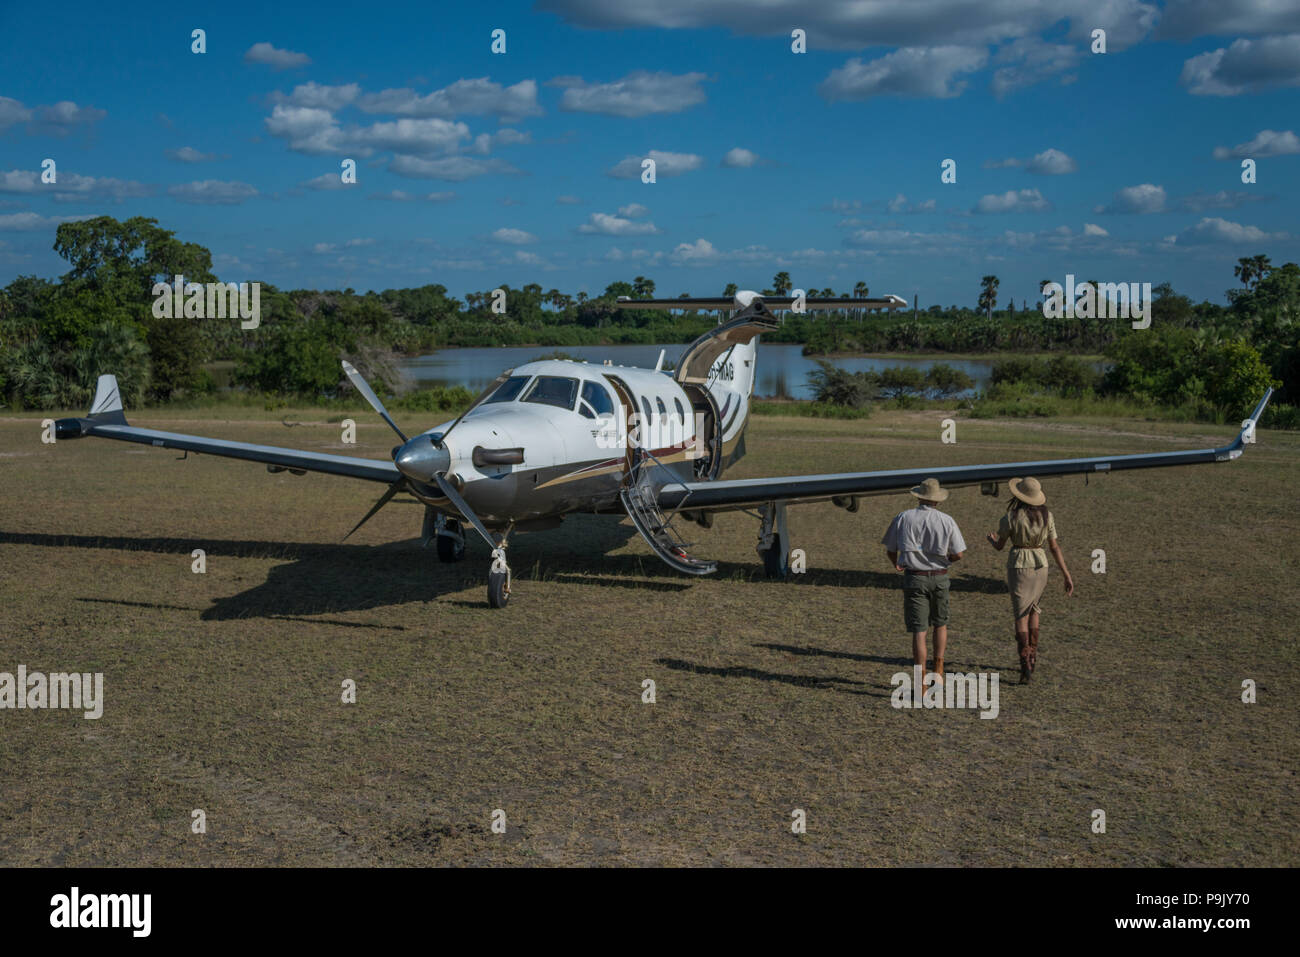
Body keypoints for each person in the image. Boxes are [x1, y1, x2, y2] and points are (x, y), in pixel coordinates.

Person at [986, 476, 1074, 683]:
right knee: (1034, 609)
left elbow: (1000, 546)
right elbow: (1054, 547)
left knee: (1020, 615)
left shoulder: (1010, 517)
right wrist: (1066, 574)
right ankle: (1032, 656)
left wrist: (992, 540)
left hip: (1019, 565)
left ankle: (1024, 661)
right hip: (1041, 565)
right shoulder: (1047, 516)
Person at [881, 477, 966, 686]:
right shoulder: (947, 520)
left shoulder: (903, 517)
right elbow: (959, 553)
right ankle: (938, 669)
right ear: (937, 500)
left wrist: (896, 564)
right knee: (940, 624)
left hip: (914, 577)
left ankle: (921, 683)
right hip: (940, 576)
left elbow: (890, 549)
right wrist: (947, 561)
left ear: (919, 497)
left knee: (919, 631)